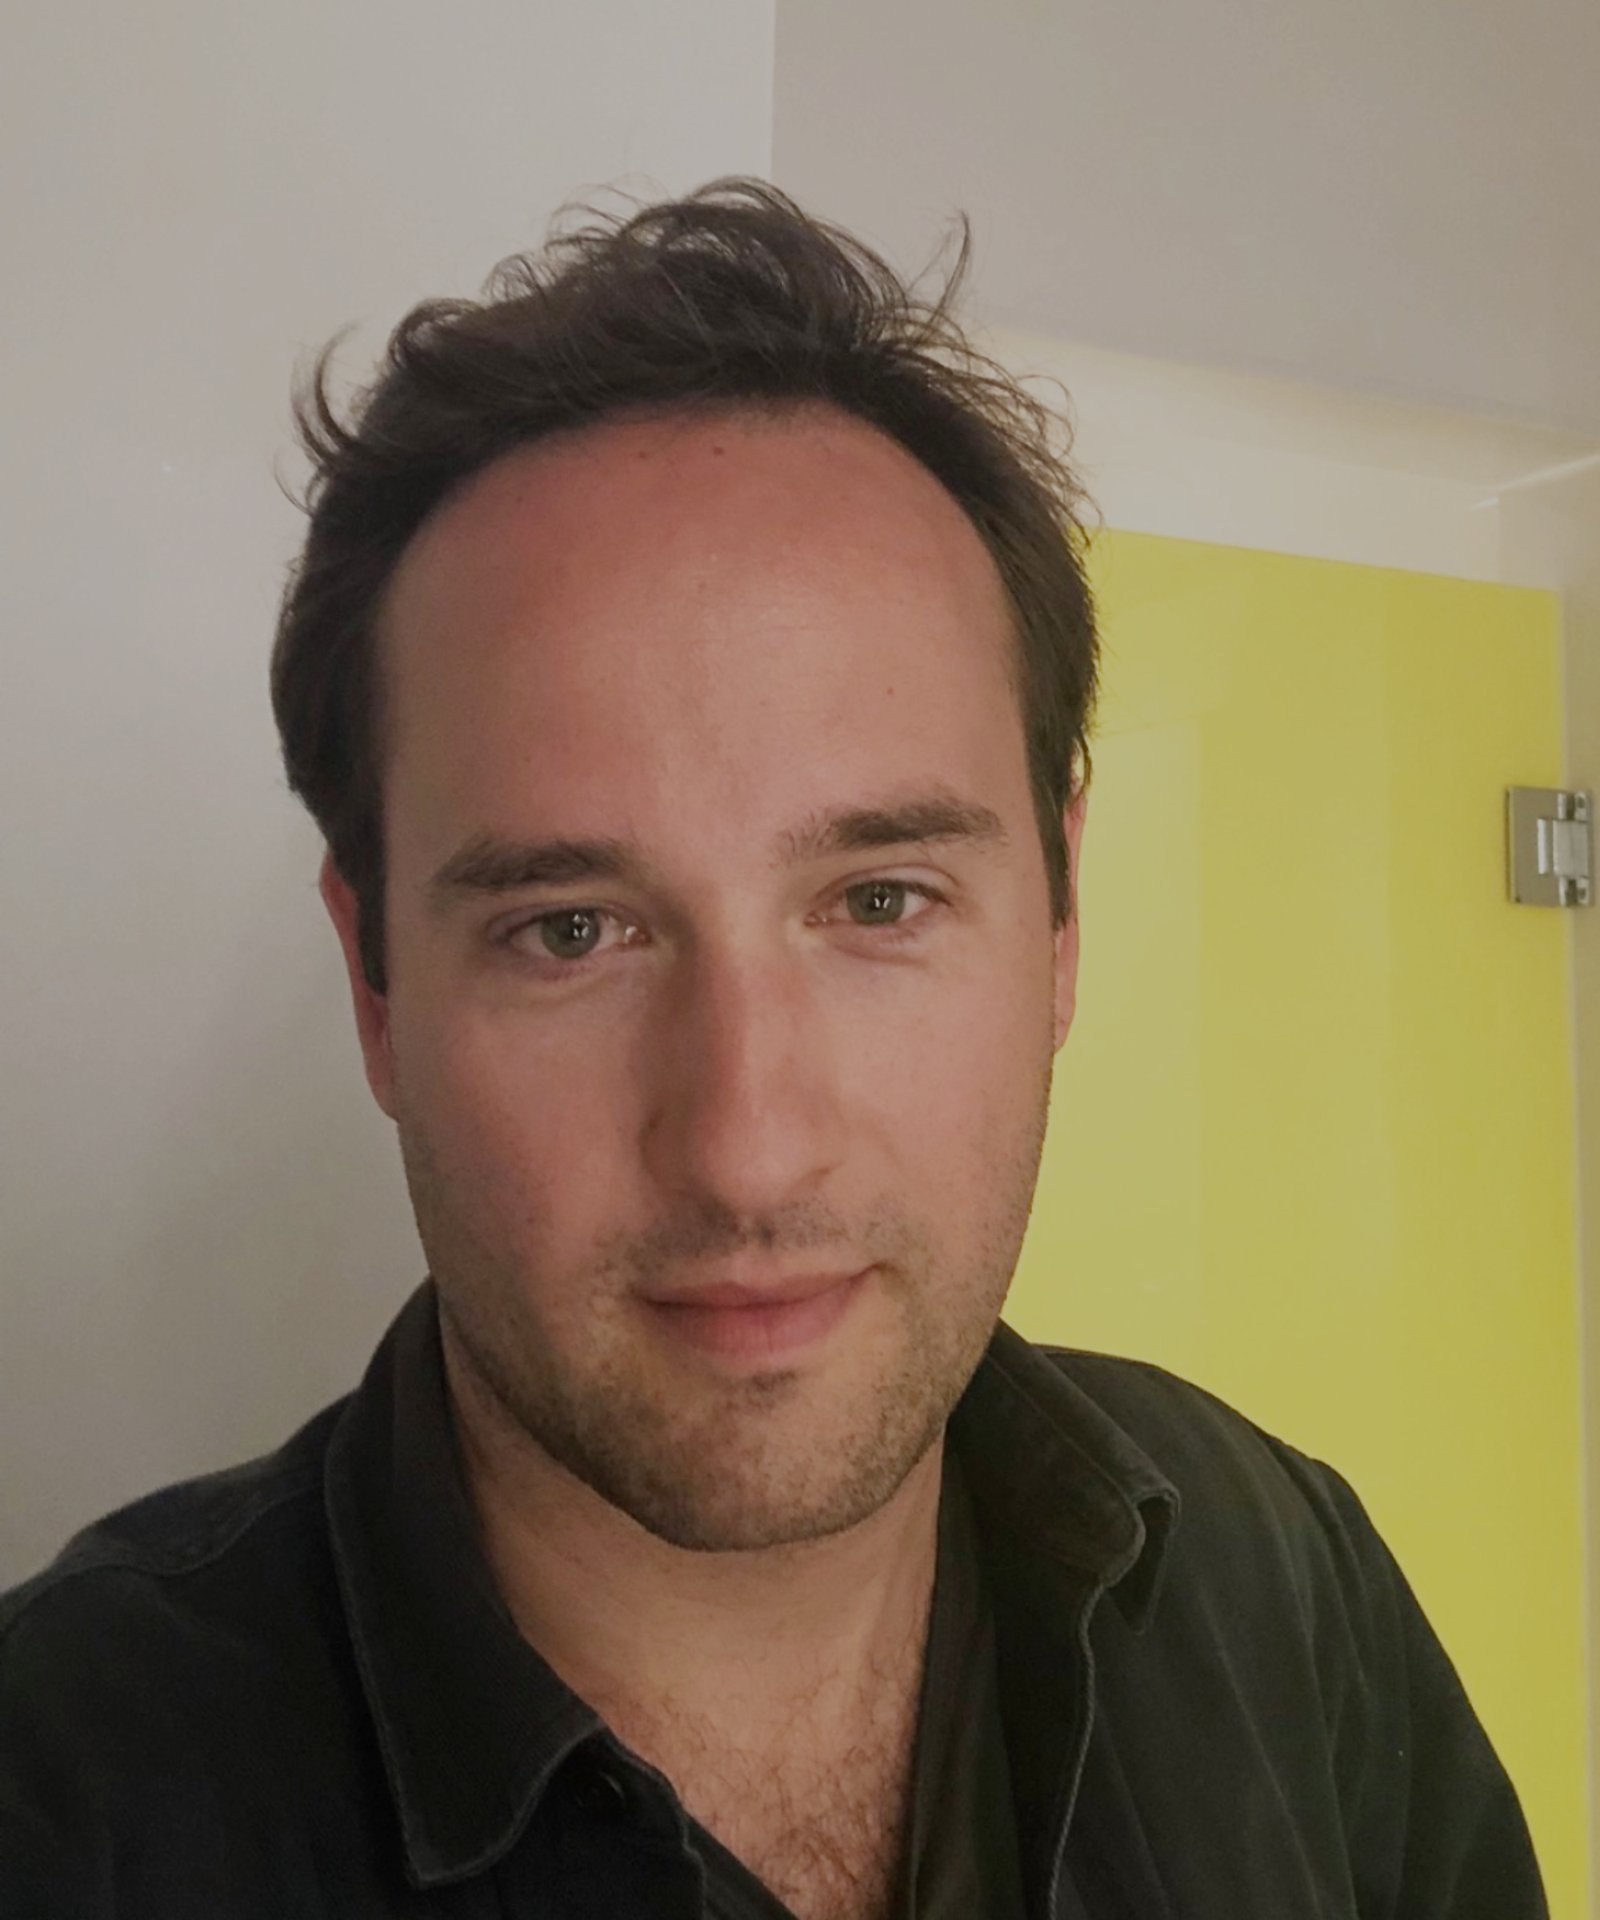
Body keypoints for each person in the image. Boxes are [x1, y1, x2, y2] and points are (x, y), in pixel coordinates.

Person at [0, 178, 1547, 1920]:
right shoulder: (68, 1807)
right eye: (571, 929)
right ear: (375, 984)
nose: (746, 1148)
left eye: (879, 901)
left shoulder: (1281, 1576)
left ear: (1057, 927)